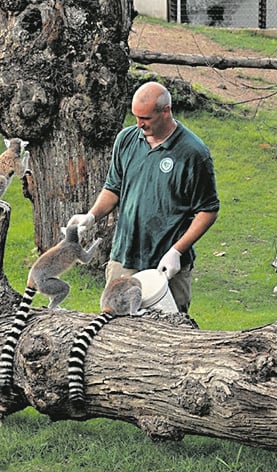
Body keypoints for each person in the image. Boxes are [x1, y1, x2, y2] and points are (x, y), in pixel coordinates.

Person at [68, 81, 219, 312]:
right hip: (125, 256)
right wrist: (91, 216)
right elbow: (113, 188)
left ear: (166, 111)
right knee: (115, 328)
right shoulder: (126, 140)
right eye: (136, 117)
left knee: (169, 333)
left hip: (166, 265)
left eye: (146, 118)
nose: (139, 124)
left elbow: (208, 210)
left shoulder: (193, 153)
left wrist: (177, 251)